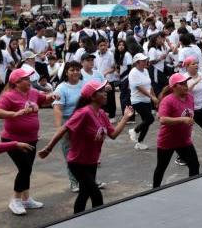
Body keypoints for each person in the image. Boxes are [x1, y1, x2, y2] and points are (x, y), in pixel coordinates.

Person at [39, 80, 134, 213]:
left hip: (91, 161)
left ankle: (78, 219)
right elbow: (63, 129)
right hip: (77, 162)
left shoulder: (101, 113)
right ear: (92, 96)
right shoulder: (84, 113)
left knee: (84, 194)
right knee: (96, 195)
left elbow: (113, 134)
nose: (105, 94)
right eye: (101, 91)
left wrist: (125, 118)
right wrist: (48, 148)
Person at [0, 68, 58, 216]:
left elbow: (43, 99)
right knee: (25, 168)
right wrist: (14, 114)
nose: (29, 81)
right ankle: (15, 200)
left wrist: (52, 96)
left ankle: (26, 198)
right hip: (13, 139)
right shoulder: (8, 96)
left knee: (27, 168)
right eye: (26, 79)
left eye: (29, 78)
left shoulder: (33, 92)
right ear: (16, 82)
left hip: (32, 138)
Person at [153, 73, 199, 188]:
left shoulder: (190, 97)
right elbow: (162, 119)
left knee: (194, 165)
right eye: (182, 84)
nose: (185, 86)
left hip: (184, 140)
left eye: (186, 83)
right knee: (161, 168)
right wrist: (182, 120)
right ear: (174, 87)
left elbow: (191, 114)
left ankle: (192, 188)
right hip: (167, 141)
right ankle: (154, 190)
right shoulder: (168, 100)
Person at [51, 61, 85, 193]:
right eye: (72, 70)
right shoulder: (61, 88)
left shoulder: (84, 85)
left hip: (83, 122)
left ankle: (89, 179)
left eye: (77, 69)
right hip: (68, 123)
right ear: (66, 72)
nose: (75, 72)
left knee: (86, 153)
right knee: (71, 154)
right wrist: (60, 128)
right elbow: (58, 109)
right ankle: (74, 181)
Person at [127, 53, 157, 150]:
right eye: (143, 60)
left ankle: (139, 143)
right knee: (150, 119)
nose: (145, 62)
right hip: (137, 100)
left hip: (146, 100)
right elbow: (139, 87)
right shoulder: (133, 72)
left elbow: (149, 85)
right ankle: (134, 131)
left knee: (146, 122)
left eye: (145, 60)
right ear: (137, 62)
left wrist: (154, 97)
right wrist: (152, 97)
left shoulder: (146, 71)